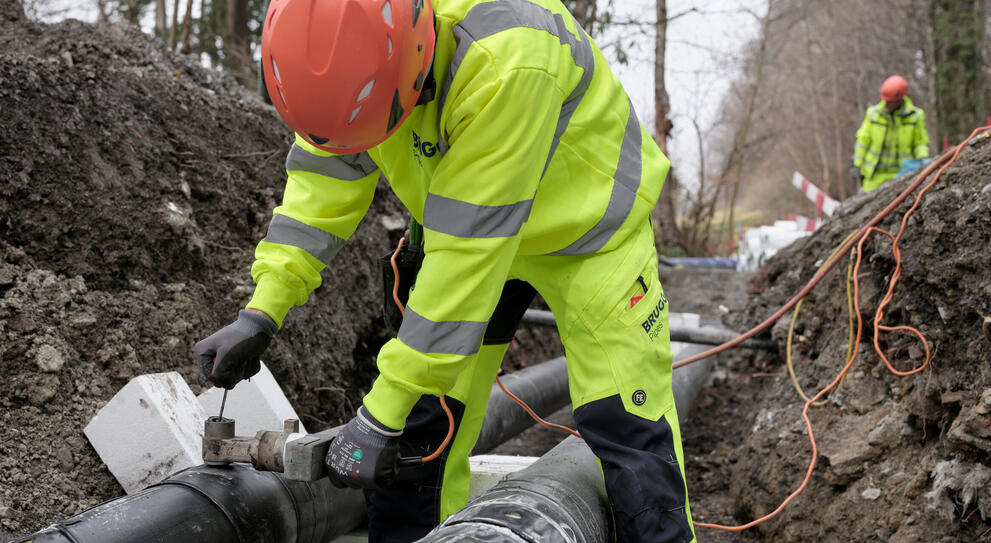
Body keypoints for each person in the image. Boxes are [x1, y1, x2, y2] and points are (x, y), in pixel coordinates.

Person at [193, 0, 695, 541]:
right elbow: (322, 184)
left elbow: (467, 258)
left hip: (590, 236)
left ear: (412, 59)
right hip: (466, 229)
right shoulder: (343, 76)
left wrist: (379, 414)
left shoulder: (509, 56)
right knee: (417, 442)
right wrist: (262, 311)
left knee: (629, 434)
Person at [850, 75, 931, 192]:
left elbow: (920, 142)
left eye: (891, 102)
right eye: (886, 101)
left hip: (902, 174)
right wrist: (856, 164)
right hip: (874, 176)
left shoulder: (915, 116)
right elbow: (863, 140)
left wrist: (923, 159)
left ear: (900, 99)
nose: (887, 104)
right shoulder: (873, 114)